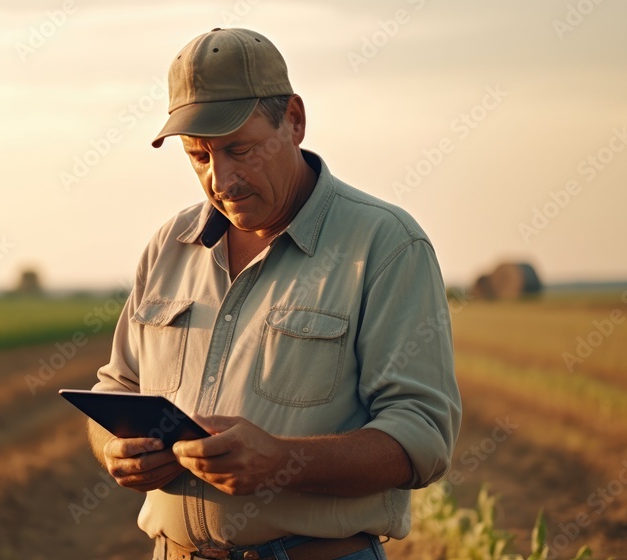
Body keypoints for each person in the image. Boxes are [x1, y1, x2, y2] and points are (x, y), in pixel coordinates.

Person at [88, 27, 461, 560]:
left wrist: (281, 460)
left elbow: (422, 436)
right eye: (199, 156)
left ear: (294, 121)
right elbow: (116, 386)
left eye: (239, 149)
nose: (221, 179)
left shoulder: (385, 244)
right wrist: (114, 450)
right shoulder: (168, 246)